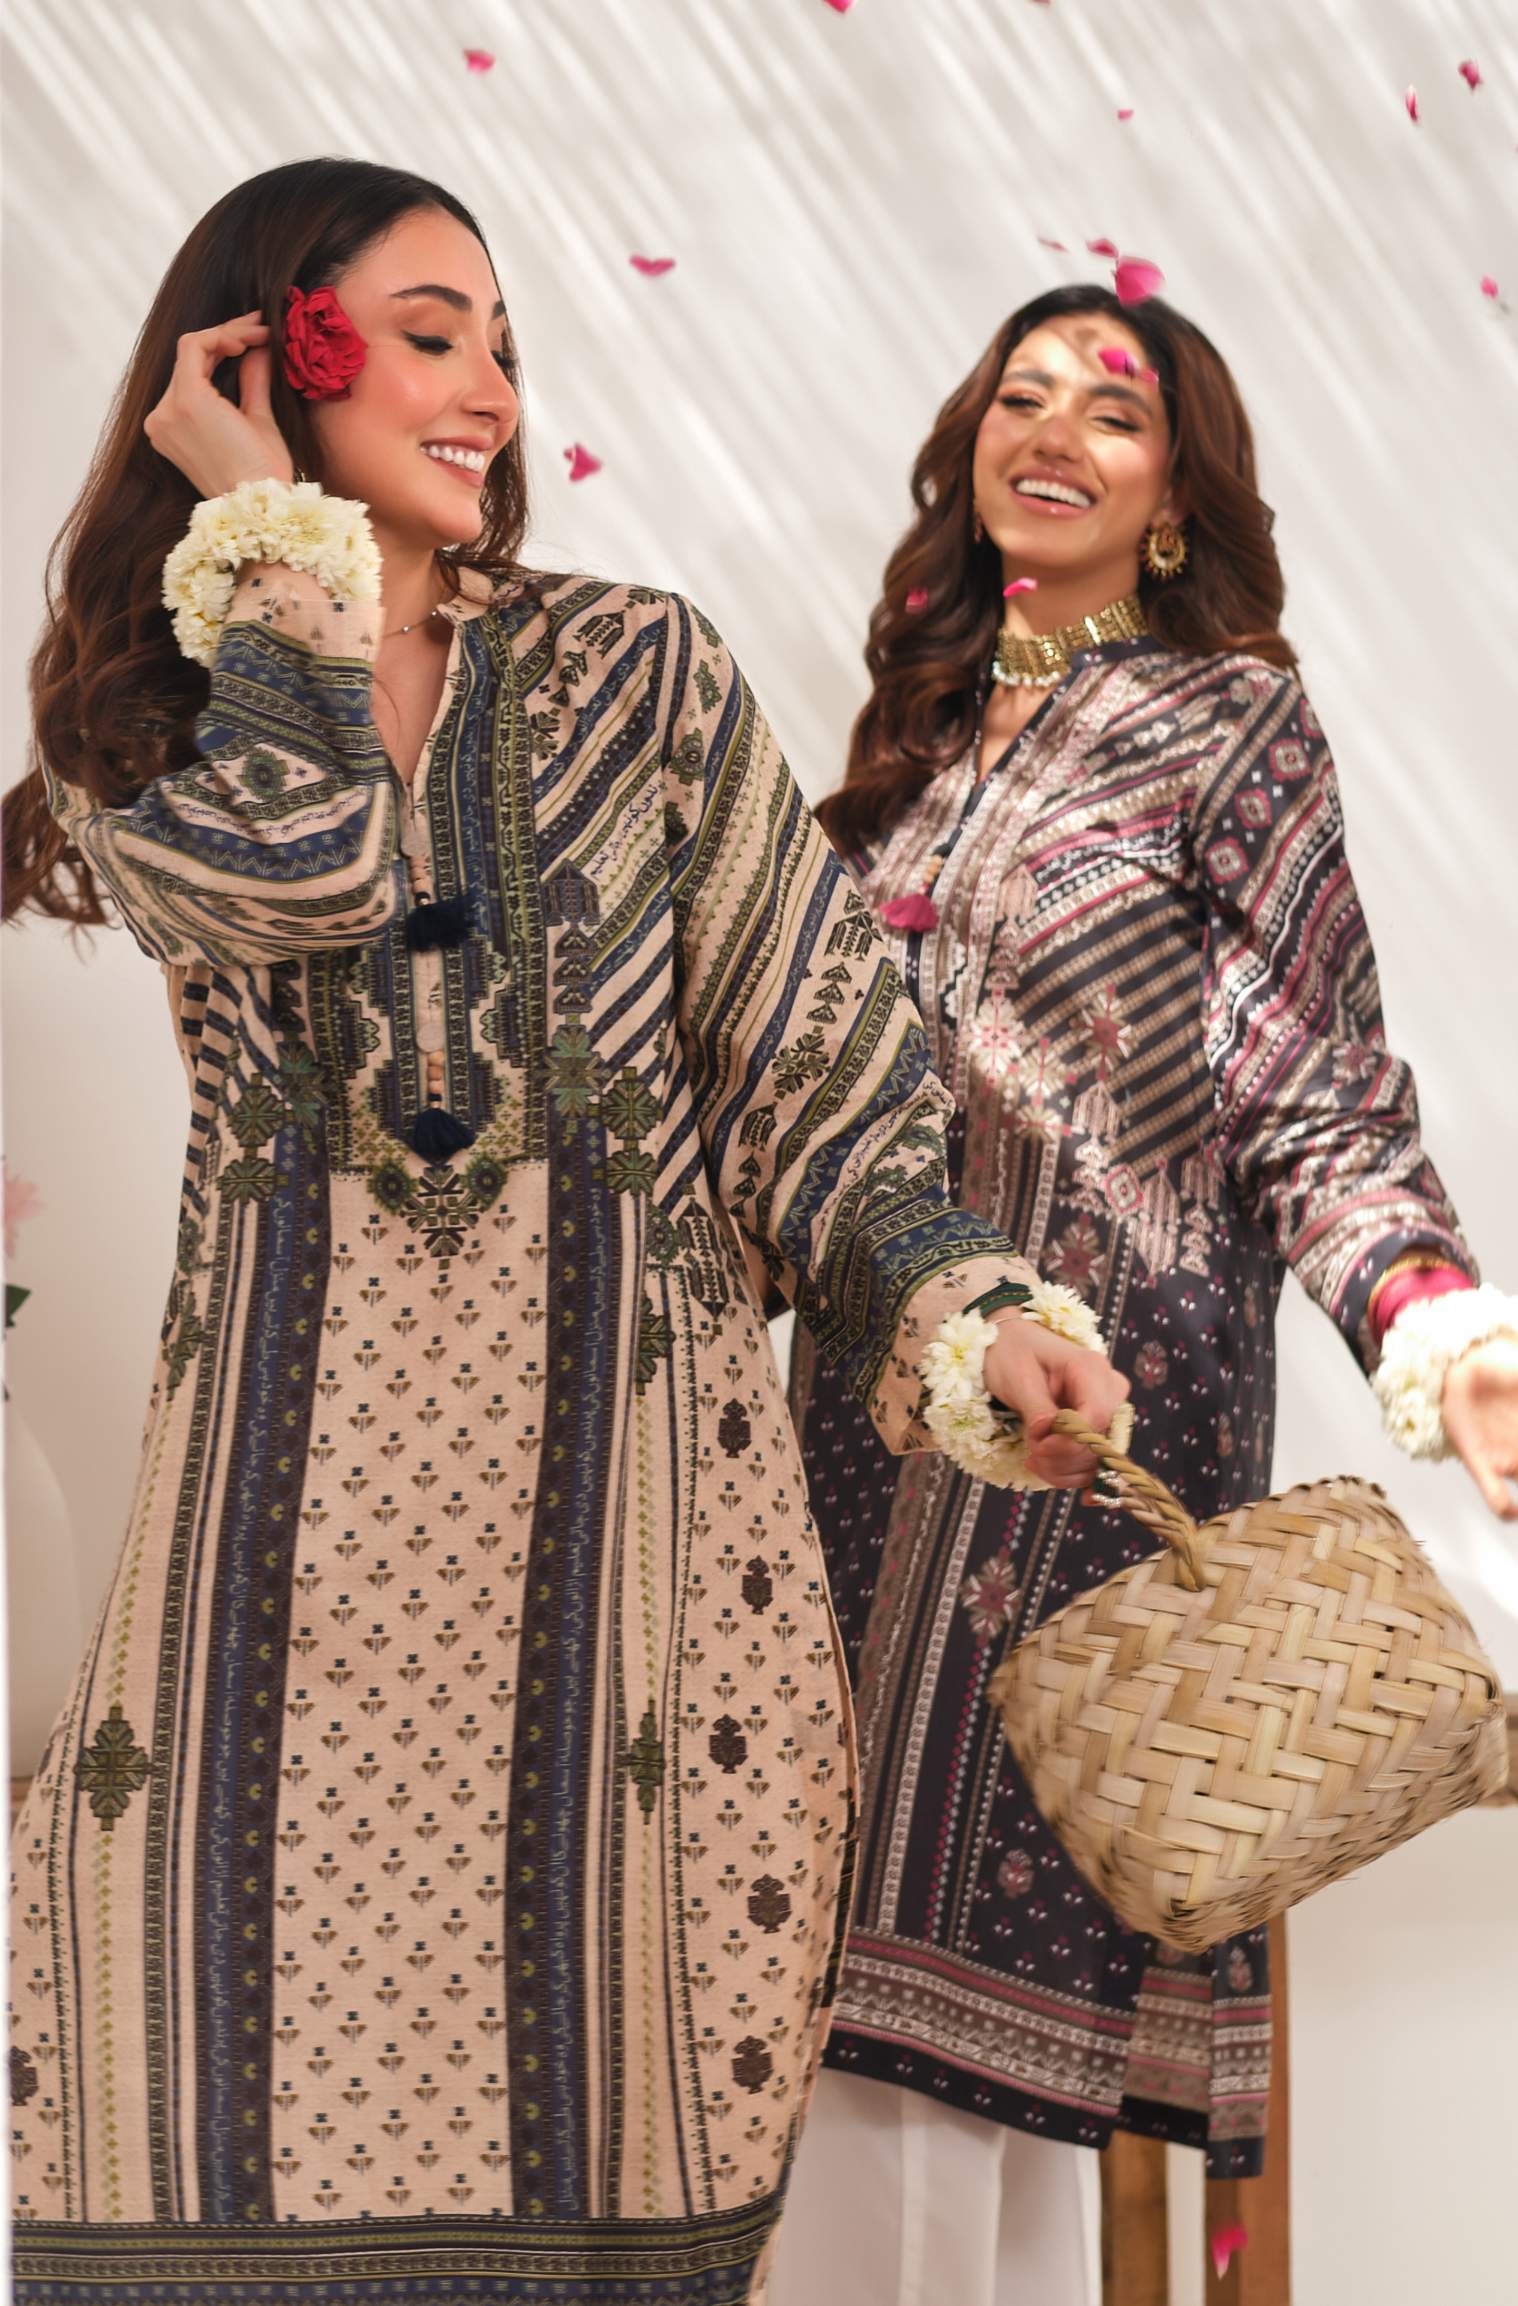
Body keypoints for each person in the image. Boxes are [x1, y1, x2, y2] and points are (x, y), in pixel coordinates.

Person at [1, 166, 1131, 2304]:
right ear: (261, 356)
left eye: (504, 347)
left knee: (613, 2169)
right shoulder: (146, 723)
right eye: (431, 335)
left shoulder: (638, 670)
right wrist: (270, 551)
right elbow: (309, 867)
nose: (491, 394)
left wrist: (970, 1316)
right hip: (276, 1596)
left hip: (628, 1586)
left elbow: (819, 1073)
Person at [773, 283, 1518, 2306]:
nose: (1053, 431)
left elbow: (1307, 1080)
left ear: (1175, 492)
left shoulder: (1228, 725)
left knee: (973, 1984)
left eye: (1109, 411)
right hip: (860, 1427)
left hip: (1087, 1434)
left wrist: (1433, 1324)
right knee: (819, 1981)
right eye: (1017, 396)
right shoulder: (915, 750)